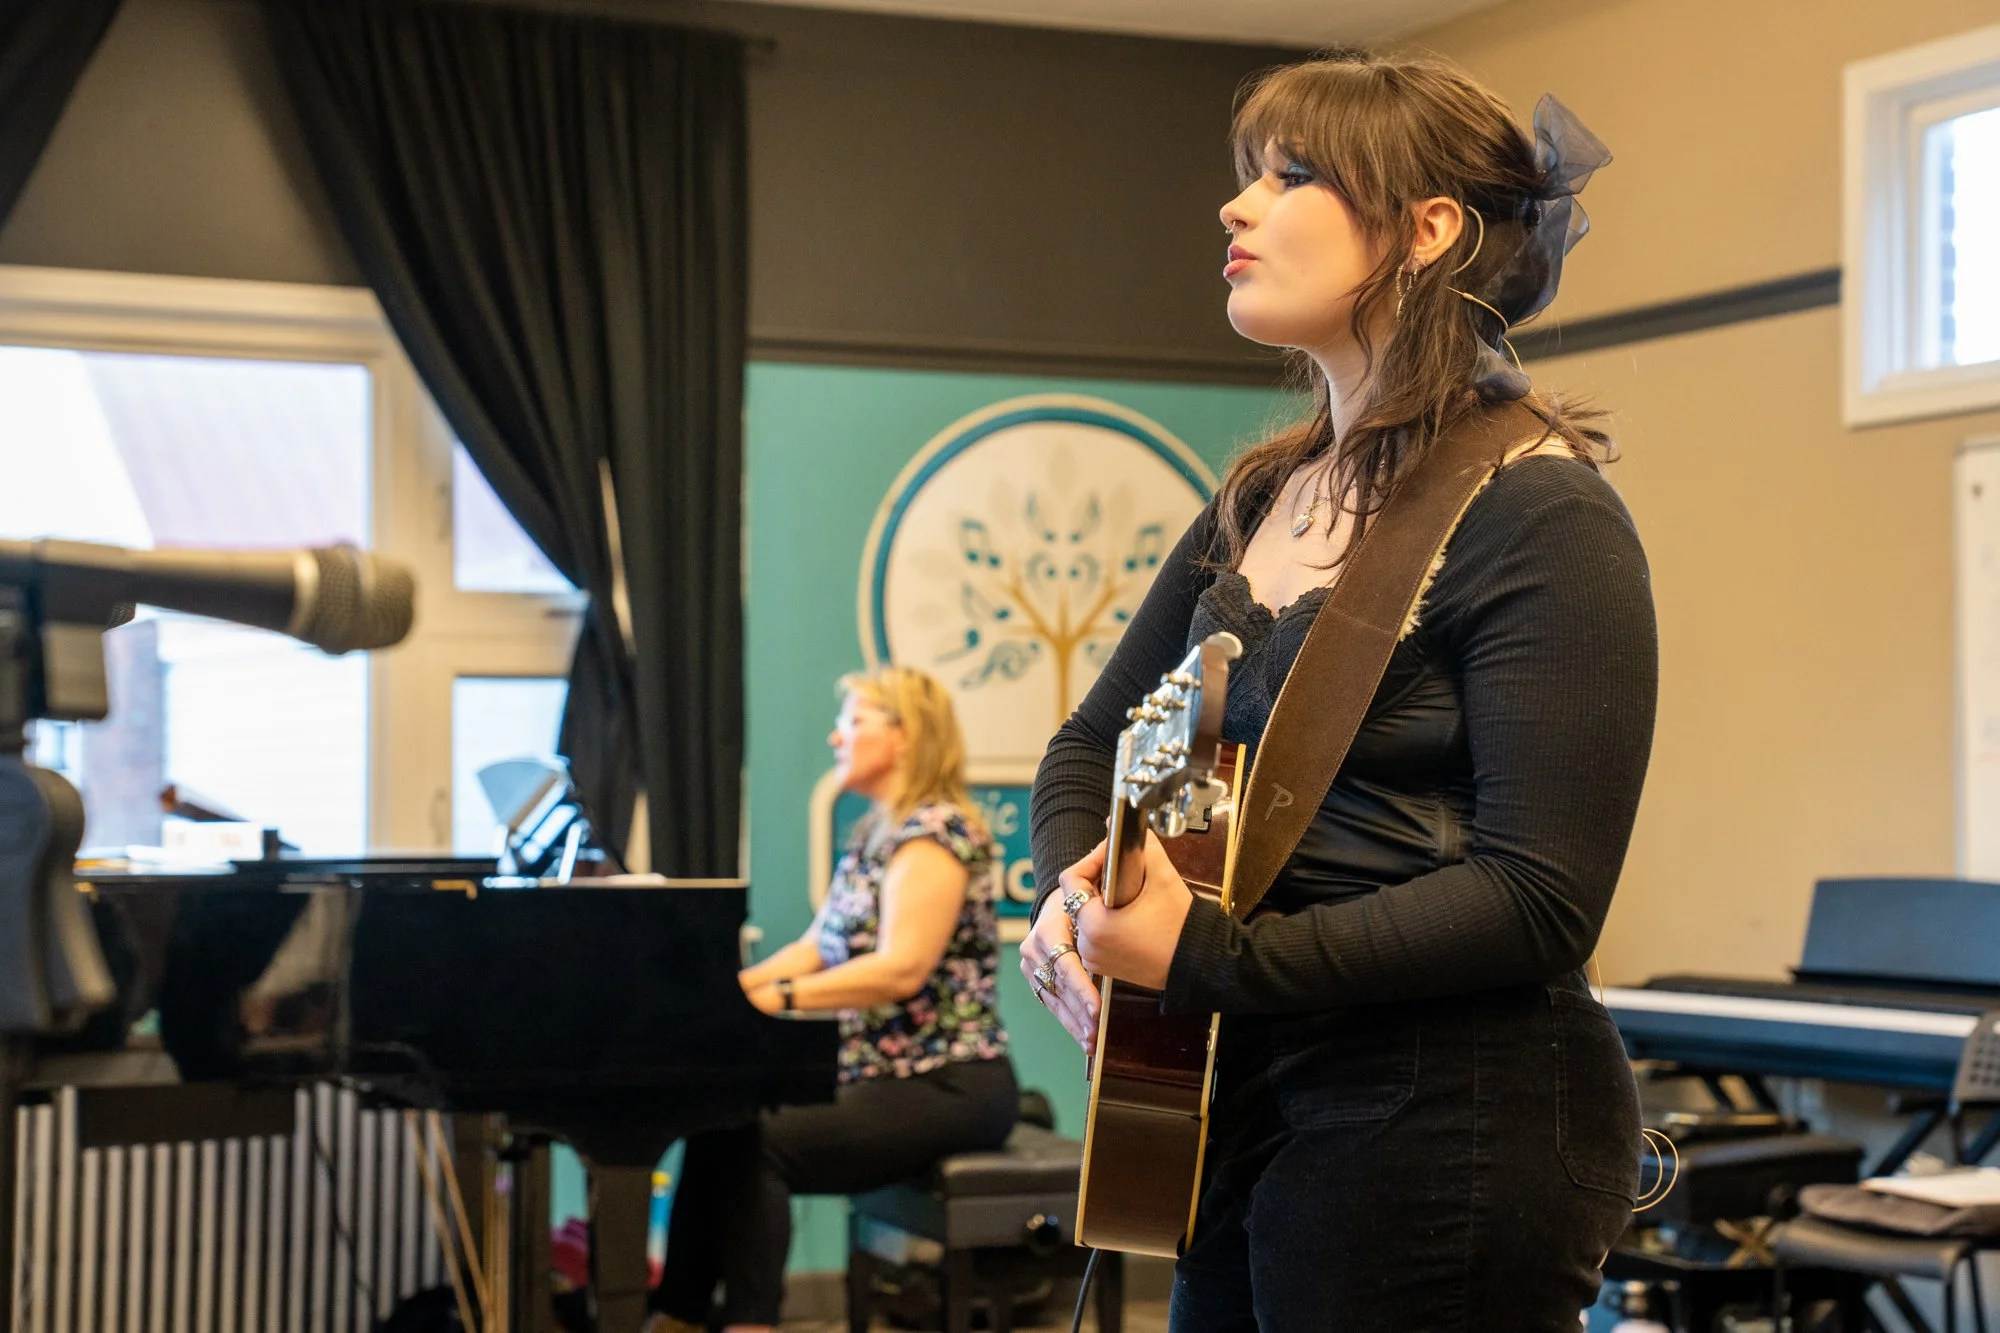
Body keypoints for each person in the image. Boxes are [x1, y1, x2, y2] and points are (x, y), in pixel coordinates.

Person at [1020, 50, 1656, 1331]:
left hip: (1446, 1113)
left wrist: (1206, 953)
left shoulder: (1540, 512)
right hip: (1241, 1084)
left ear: (1427, 231)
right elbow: (1092, 741)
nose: (1234, 206)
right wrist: (1076, 893)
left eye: (1290, 175)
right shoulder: (1260, 495)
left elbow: (1539, 897)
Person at [649, 666, 1018, 1333]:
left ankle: (751, 1324)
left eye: (853, 721)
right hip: (886, 1076)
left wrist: (781, 997)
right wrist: (731, 997)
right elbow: (815, 946)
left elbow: (901, 969)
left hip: (951, 1083)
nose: (836, 735)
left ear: (905, 736)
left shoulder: (936, 833)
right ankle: (676, 1316)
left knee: (759, 1142)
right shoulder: (877, 831)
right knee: (719, 1122)